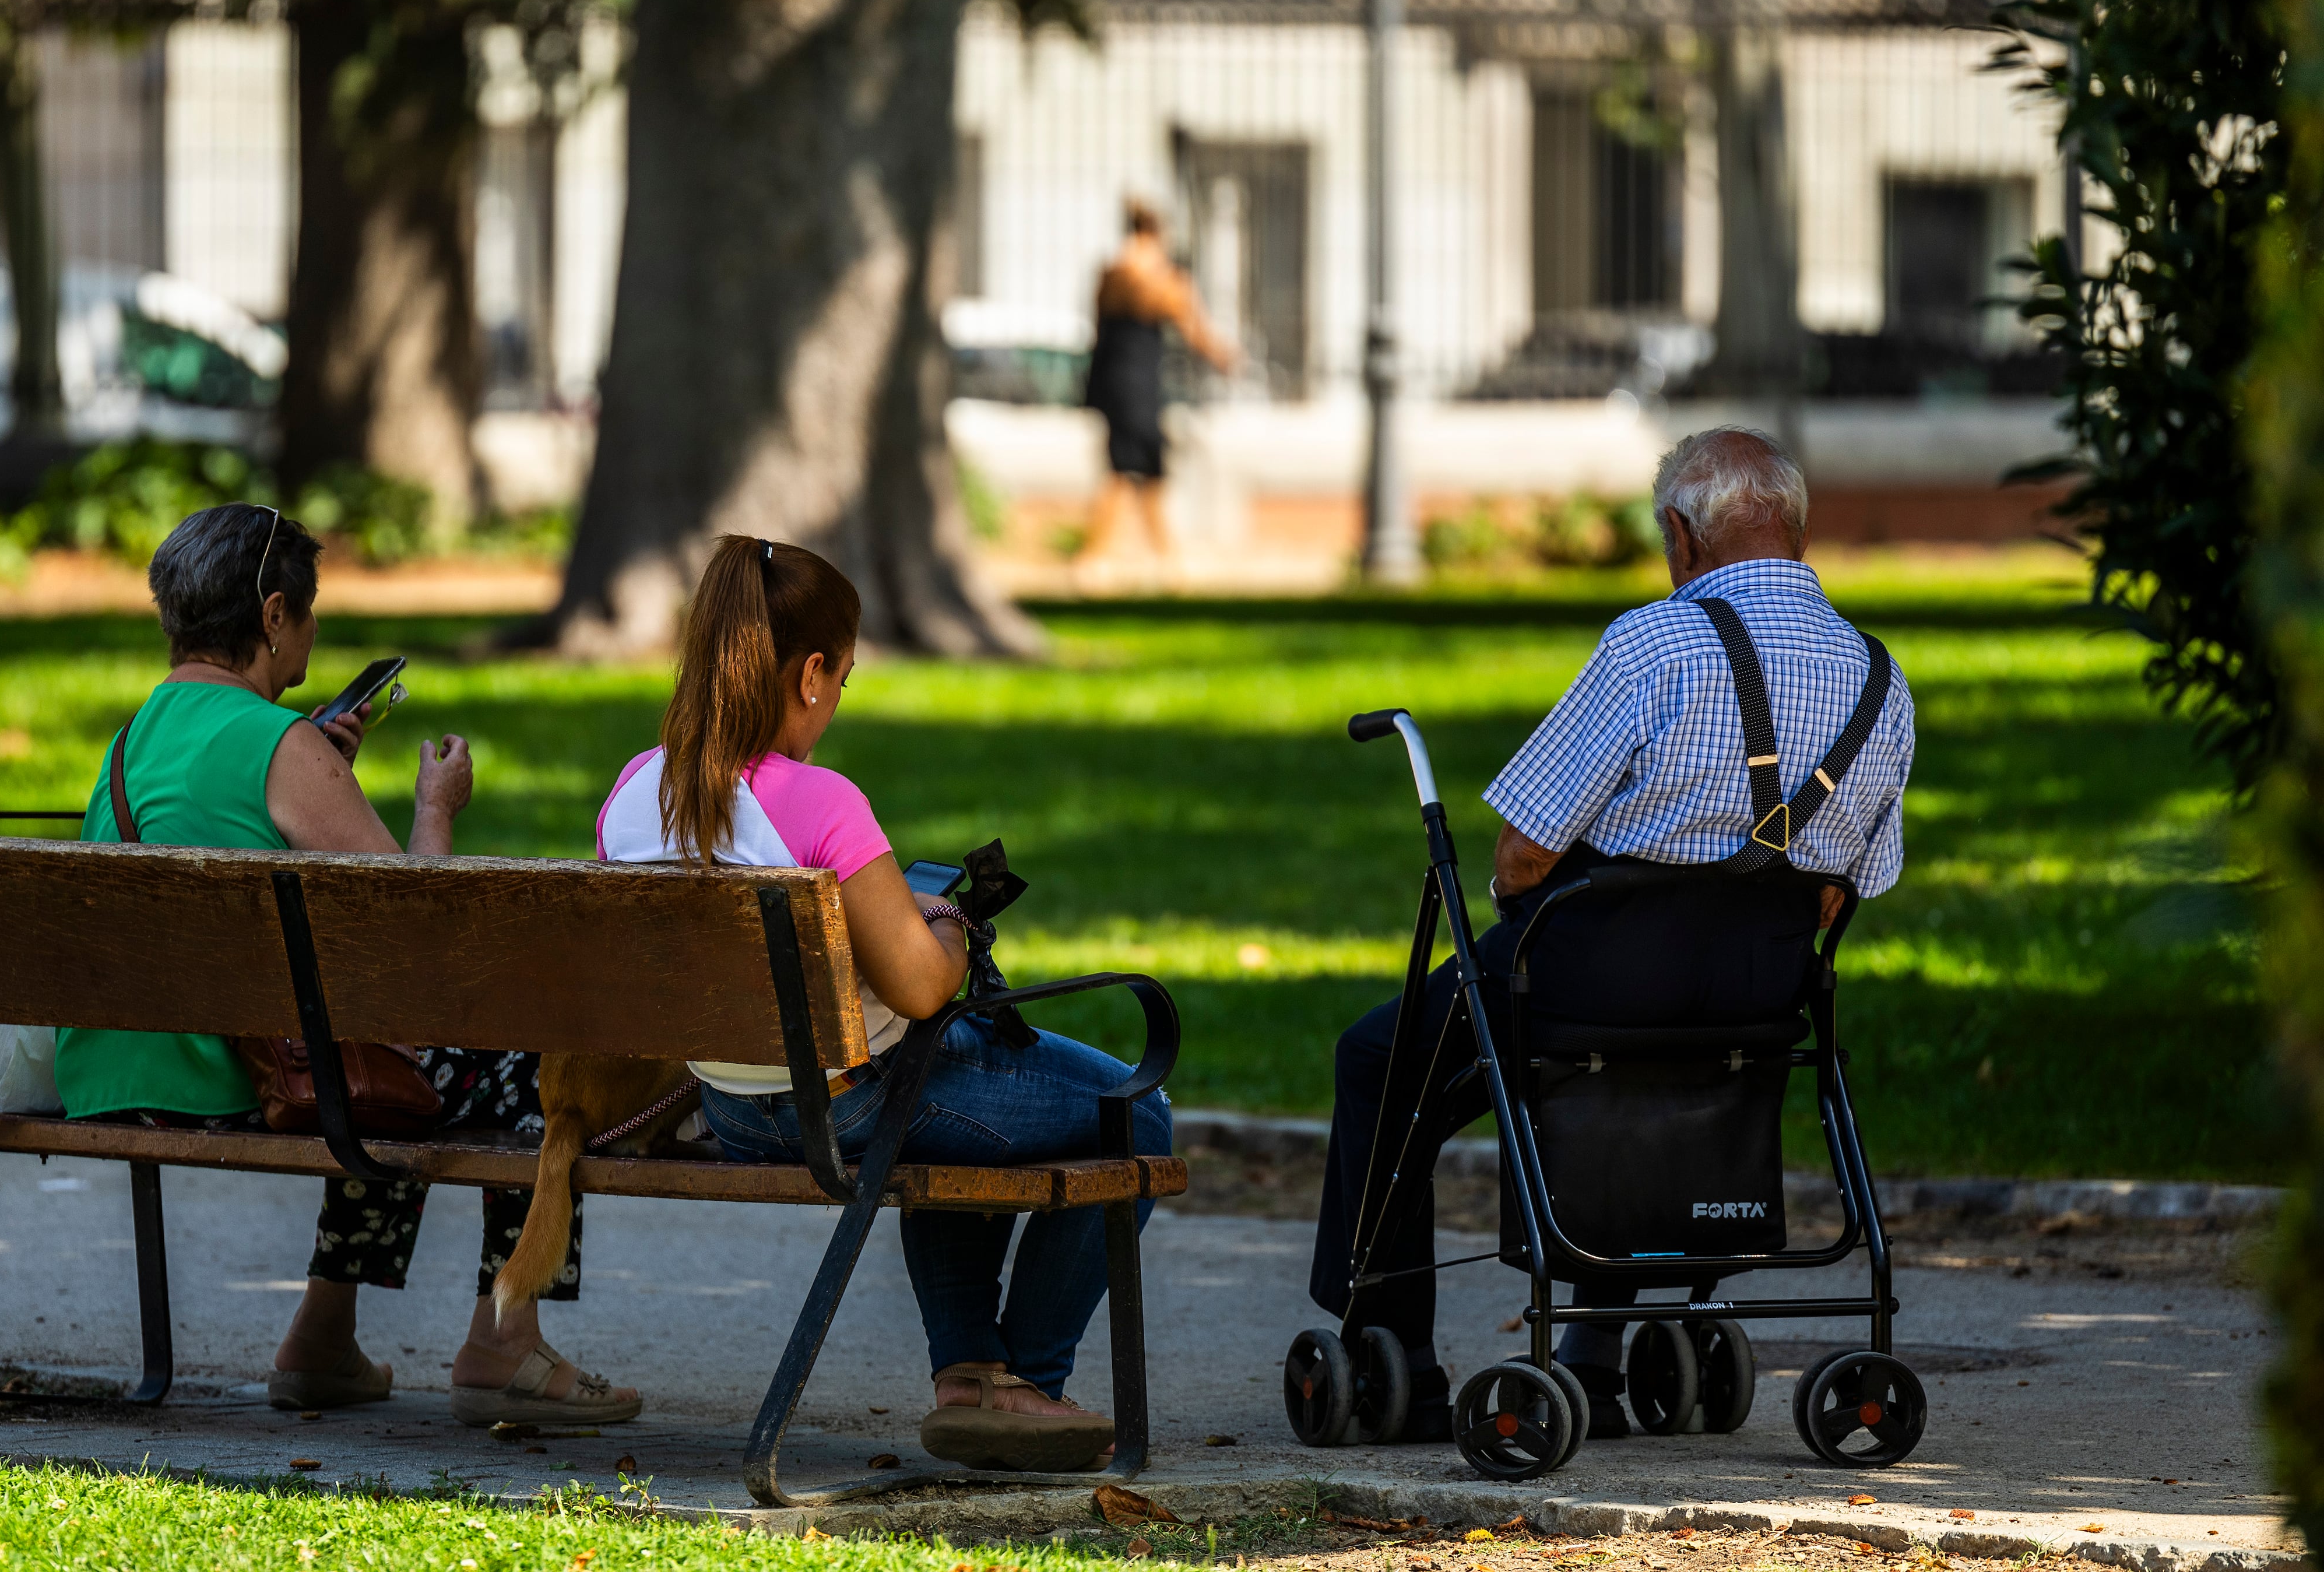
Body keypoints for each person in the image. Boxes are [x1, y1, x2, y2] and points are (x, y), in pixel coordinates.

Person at [1309, 428, 1916, 1440]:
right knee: (1662, 1067)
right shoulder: (1878, 676)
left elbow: (1523, 855)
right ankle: (1596, 1346)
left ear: (1682, 533)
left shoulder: (1651, 644)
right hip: (1762, 994)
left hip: (1587, 976)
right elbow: (1848, 888)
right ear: (1795, 531)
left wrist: (1551, 915)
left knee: (1381, 1057)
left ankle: (1396, 1351)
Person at [595, 534, 1173, 1473]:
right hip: (854, 1103)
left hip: (736, 1111)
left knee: (941, 1112)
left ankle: (969, 1378)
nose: (837, 700)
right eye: (846, 679)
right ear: (813, 673)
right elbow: (918, 986)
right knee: (1137, 1110)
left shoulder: (632, 791)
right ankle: (1023, 1379)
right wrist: (941, 917)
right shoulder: (823, 803)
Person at [61, 501, 640, 1427]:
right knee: (530, 1065)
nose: (315, 632)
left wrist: (314, 774)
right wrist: (436, 809)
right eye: (311, 611)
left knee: (382, 1067)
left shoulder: (130, 743)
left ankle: (322, 1338)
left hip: (117, 1068)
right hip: (233, 1078)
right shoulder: (282, 745)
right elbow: (420, 945)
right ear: (275, 614)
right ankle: (505, 1338)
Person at [1078, 198, 1236, 570]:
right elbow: (1195, 328)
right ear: (1158, 233)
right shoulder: (1160, 278)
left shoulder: (1111, 273)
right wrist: (1223, 357)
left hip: (1111, 383)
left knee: (1144, 470)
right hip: (1140, 387)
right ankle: (1098, 559)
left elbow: (1099, 327)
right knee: (1129, 470)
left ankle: (1165, 557)